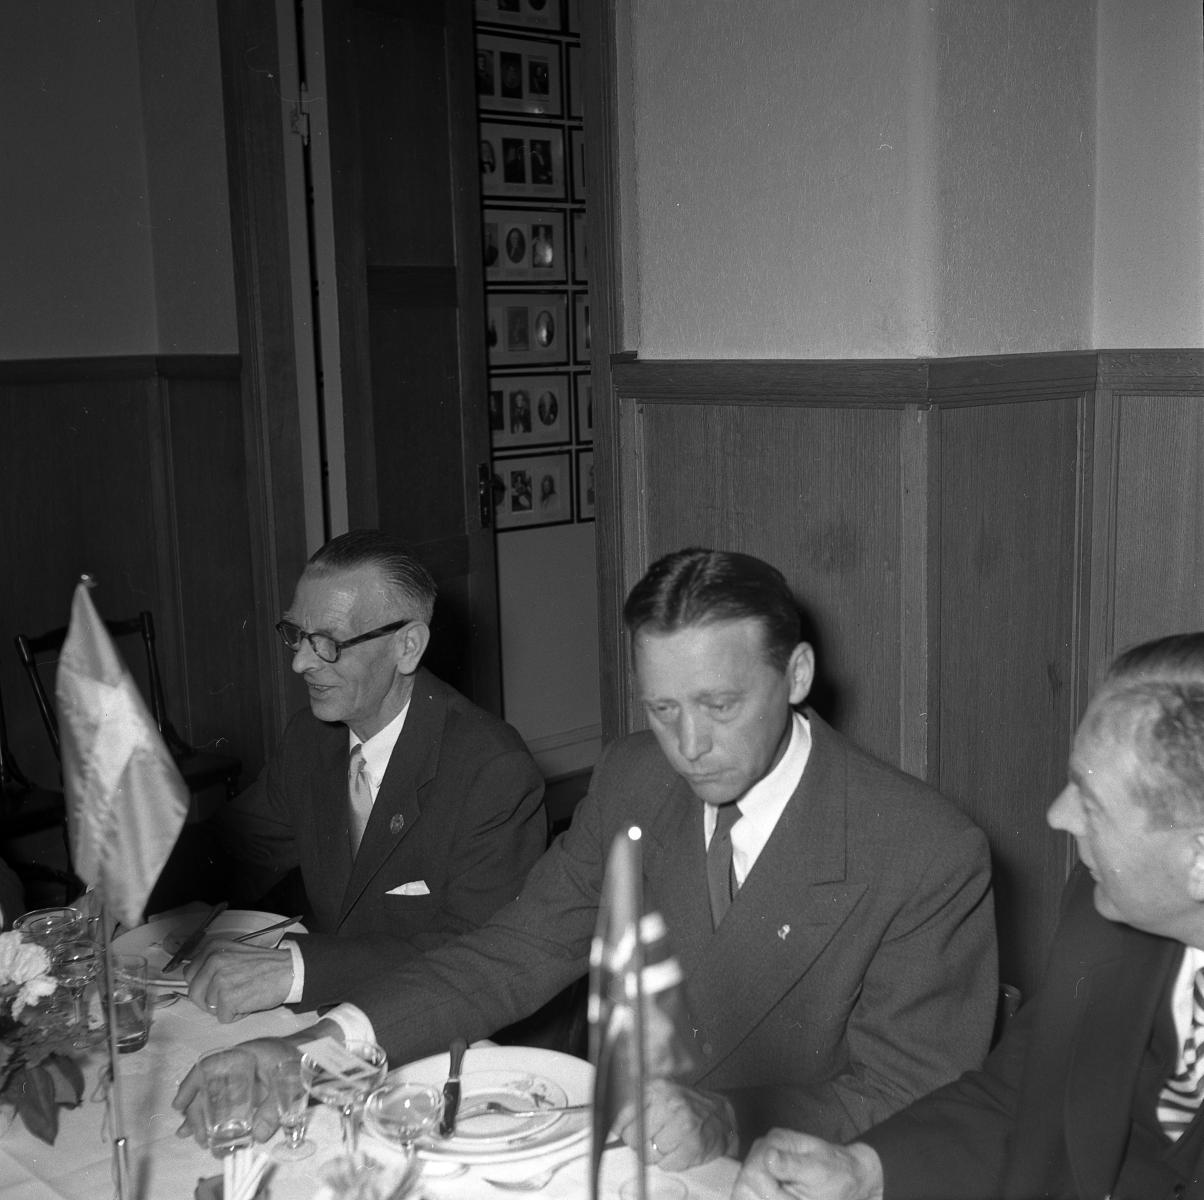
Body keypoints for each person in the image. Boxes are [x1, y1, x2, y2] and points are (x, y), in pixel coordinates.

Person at [175, 548, 996, 1168]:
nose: (689, 746)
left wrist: (731, 1120)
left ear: (798, 674)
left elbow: (916, 1099)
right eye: (662, 708)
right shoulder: (635, 777)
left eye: (719, 705)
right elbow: (510, 953)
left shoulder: (924, 851)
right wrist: (310, 1048)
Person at [732, 632, 1204, 1200]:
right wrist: (865, 1171)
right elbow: (1023, 1094)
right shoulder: (1103, 907)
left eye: (1092, 803)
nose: (1058, 816)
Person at [183, 530, 547, 1018]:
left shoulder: (492, 771)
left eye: (328, 642)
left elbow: (479, 956)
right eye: (296, 634)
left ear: (407, 647)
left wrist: (296, 970)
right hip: (332, 1014)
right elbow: (233, 850)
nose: (300, 662)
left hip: (439, 1028)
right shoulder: (311, 739)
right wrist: (124, 879)